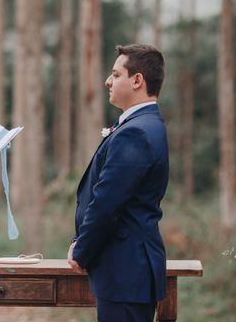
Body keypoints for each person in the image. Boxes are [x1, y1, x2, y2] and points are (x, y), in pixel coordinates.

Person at [68, 44, 169, 322]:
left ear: (137, 80)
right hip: (126, 271)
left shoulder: (136, 132)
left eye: (115, 74)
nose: (107, 81)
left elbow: (107, 202)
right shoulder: (144, 125)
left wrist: (82, 249)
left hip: (125, 270)